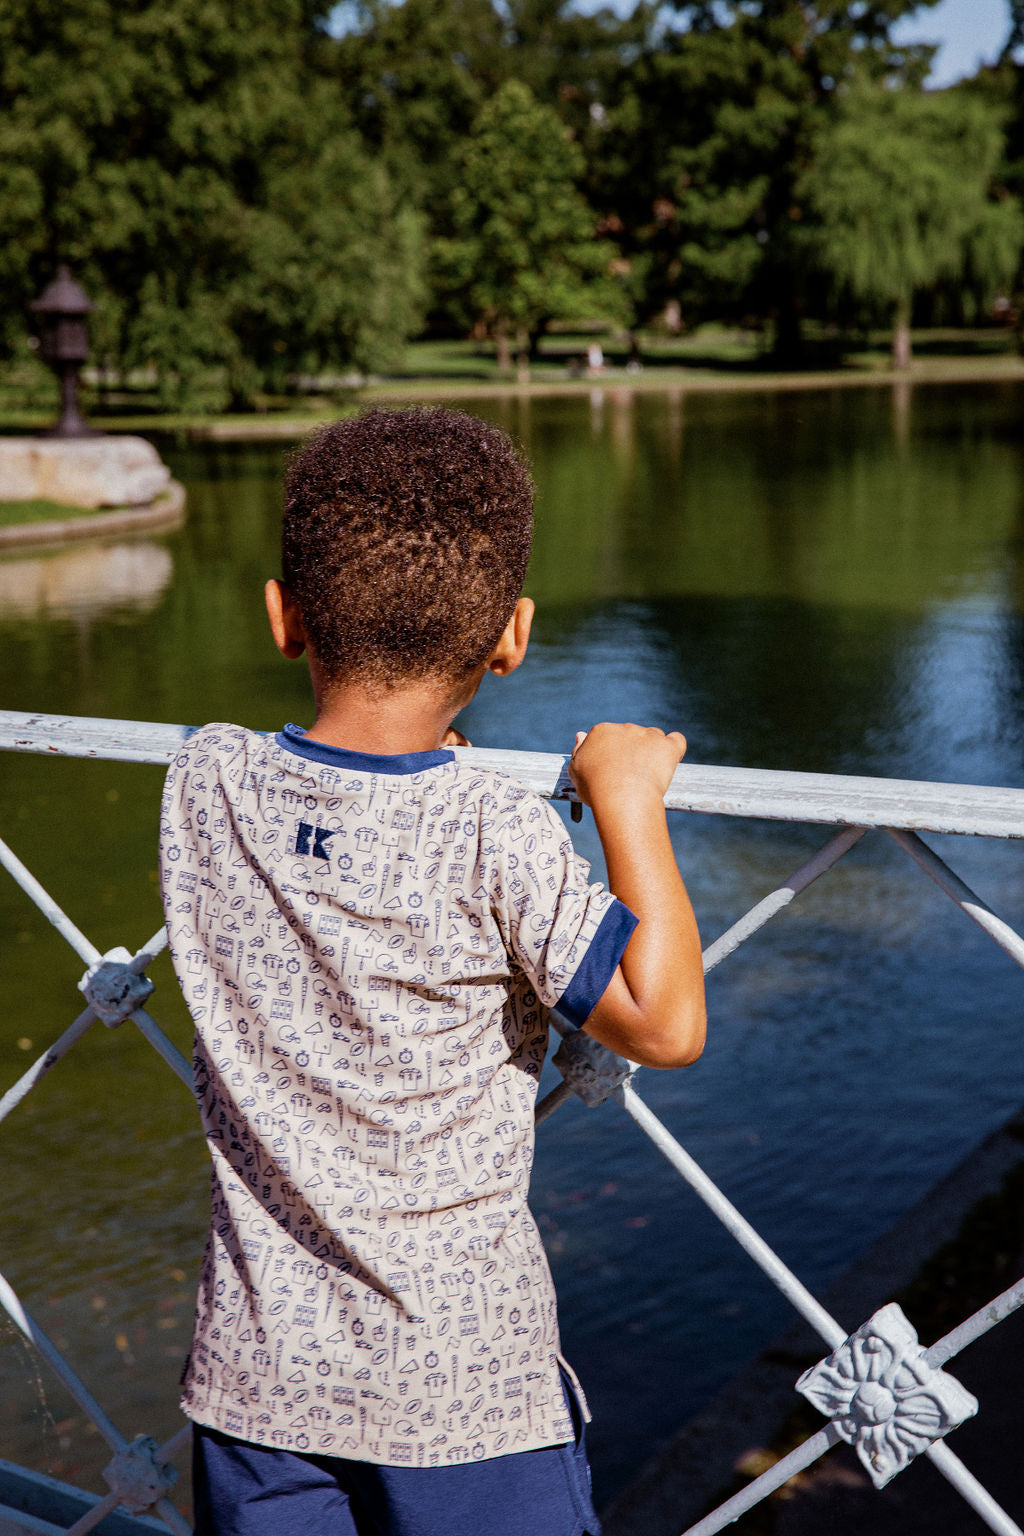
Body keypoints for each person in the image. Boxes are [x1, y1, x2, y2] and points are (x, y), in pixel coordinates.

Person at [159, 406, 706, 1536]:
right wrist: (627, 801)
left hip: (258, 1383)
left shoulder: (203, 788)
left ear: (282, 618)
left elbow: (329, 799)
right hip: (464, 1394)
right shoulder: (490, 833)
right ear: (512, 636)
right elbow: (661, 1020)